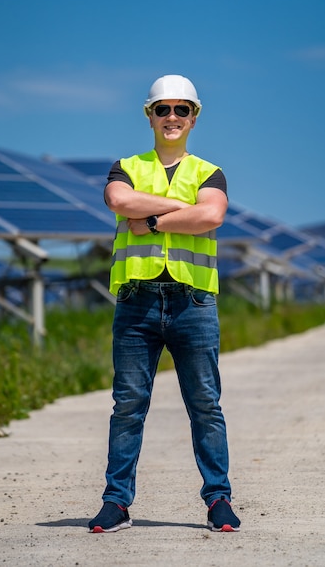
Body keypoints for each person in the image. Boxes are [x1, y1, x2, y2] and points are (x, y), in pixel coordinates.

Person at [88, 74, 240, 534]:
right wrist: (180, 211)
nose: (171, 117)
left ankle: (218, 500)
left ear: (194, 117)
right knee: (128, 405)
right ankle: (117, 503)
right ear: (149, 115)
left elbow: (212, 214)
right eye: (163, 109)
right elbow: (119, 199)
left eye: (181, 110)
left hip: (192, 301)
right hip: (136, 301)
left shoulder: (209, 172)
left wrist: (150, 219)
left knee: (205, 404)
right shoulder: (126, 166)